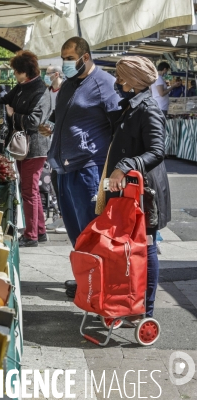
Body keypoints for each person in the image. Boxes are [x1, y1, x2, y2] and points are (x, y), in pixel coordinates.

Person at [39, 37, 122, 296]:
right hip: (63, 167)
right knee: (76, 230)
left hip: (90, 168)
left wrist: (116, 167)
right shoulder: (69, 85)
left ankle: (100, 286)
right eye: (62, 57)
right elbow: (60, 114)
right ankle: (86, 277)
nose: (64, 63)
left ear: (84, 57)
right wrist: (50, 125)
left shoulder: (105, 83)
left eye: (68, 58)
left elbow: (118, 126)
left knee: (92, 228)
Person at [101, 56, 171, 323]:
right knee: (127, 248)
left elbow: (157, 151)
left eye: (120, 77)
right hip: (127, 190)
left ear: (132, 80)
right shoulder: (131, 107)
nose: (117, 82)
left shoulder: (148, 109)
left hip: (145, 193)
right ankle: (127, 304)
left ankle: (145, 311)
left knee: (147, 247)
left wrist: (127, 164)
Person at [0, 51, 52, 247]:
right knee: (31, 191)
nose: (14, 75)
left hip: (34, 147)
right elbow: (5, 101)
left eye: (15, 72)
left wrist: (13, 115)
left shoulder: (40, 91)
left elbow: (33, 121)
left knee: (29, 191)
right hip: (23, 147)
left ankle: (31, 236)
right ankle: (39, 230)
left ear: (24, 71)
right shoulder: (22, 87)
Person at [43, 65, 67, 234]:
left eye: (48, 73)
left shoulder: (66, 90)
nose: (46, 76)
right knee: (53, 178)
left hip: (63, 142)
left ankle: (65, 218)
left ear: (56, 74)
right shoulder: (48, 92)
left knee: (60, 177)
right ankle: (61, 215)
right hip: (49, 139)